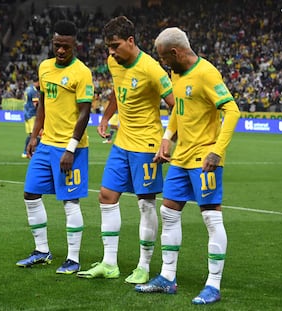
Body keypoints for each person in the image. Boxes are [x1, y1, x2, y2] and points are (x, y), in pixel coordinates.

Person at [135, 27, 240, 305]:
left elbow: (232, 110)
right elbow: (179, 112)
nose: (161, 63)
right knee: (168, 212)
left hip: (205, 159)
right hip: (181, 158)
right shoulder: (176, 73)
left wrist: (217, 151)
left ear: (175, 52)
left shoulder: (206, 74)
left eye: (162, 57)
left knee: (210, 217)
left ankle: (213, 285)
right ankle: (168, 278)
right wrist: (167, 138)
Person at [77, 16, 174, 284]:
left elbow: (176, 104)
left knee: (145, 204)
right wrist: (107, 117)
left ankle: (143, 265)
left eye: (115, 46)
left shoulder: (152, 69)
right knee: (107, 196)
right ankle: (110, 263)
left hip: (146, 144)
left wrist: (168, 138)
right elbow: (118, 93)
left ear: (130, 42)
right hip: (122, 141)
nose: (110, 52)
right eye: (108, 47)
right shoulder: (113, 62)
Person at [16, 20, 94, 275]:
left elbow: (85, 113)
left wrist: (71, 148)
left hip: (71, 147)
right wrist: (34, 135)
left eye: (66, 47)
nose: (61, 51)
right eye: (57, 45)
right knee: (31, 194)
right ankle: (41, 251)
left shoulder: (82, 72)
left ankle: (73, 258)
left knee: (70, 201)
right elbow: (43, 106)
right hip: (46, 144)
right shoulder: (45, 67)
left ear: (75, 45)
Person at [21, 78, 40, 158]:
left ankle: (27, 152)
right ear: (38, 82)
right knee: (36, 135)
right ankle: (28, 151)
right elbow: (36, 104)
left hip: (26, 114)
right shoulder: (34, 91)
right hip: (32, 114)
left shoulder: (27, 89)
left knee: (31, 135)